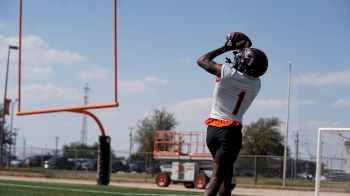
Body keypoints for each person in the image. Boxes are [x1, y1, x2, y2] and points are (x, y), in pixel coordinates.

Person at [197, 32, 268, 196]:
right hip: (230, 133)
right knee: (217, 178)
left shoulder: (228, 73)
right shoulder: (256, 84)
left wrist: (225, 48)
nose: (238, 58)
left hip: (212, 131)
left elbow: (202, 60)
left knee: (226, 176)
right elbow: (244, 69)